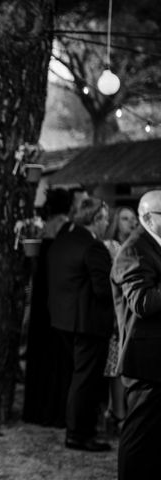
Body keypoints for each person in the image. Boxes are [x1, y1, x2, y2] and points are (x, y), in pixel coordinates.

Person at [47, 196, 113, 452]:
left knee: (78, 379)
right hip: (88, 324)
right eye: (106, 217)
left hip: (63, 320)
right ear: (96, 219)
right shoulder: (93, 247)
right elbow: (104, 290)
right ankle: (78, 435)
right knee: (86, 381)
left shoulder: (64, 240)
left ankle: (77, 429)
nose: (108, 222)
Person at [111, 191, 161, 479]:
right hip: (144, 359)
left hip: (157, 358)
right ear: (147, 219)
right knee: (139, 435)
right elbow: (142, 302)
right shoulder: (133, 249)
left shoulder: (154, 245)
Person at [22, 188, 73, 428]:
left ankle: (36, 409)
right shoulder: (66, 233)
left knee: (40, 355)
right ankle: (55, 410)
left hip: (40, 302)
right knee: (57, 357)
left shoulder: (38, 233)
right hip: (58, 301)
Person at [103, 206, 138, 433]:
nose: (130, 223)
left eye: (133, 219)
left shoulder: (136, 246)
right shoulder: (112, 247)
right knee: (116, 366)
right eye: (125, 219)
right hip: (116, 315)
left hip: (130, 316)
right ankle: (117, 413)